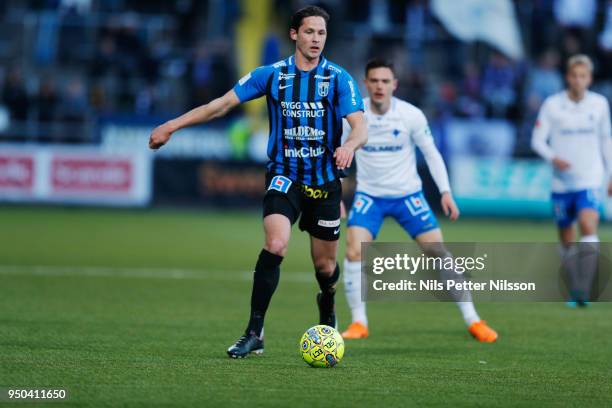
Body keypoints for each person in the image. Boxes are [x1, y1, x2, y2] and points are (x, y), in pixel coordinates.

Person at [148, 6, 367, 357]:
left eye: (321, 33)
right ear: (294, 34)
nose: (316, 39)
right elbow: (220, 105)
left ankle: (327, 304)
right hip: (285, 175)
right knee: (276, 244)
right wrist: (171, 126)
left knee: (325, 267)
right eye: (309, 32)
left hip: (325, 183)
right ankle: (255, 332)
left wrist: (350, 145)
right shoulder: (272, 75)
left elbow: (359, 125)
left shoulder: (338, 78)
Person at [340, 59, 498, 342]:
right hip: (369, 196)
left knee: (438, 252)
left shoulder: (411, 115)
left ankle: (473, 319)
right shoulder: (353, 115)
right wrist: (337, 194)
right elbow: (341, 156)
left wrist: (445, 192)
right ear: (365, 84)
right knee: (353, 252)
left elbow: (432, 153)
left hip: (407, 196)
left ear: (394, 85)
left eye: (385, 81)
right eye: (374, 81)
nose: (379, 86)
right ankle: (359, 323)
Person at [531, 54, 612, 307]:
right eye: (574, 76)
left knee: (588, 226)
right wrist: (553, 158)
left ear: (589, 79)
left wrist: (611, 173)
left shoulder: (599, 104)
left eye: (583, 76)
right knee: (566, 238)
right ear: (568, 77)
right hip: (561, 182)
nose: (578, 80)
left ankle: (583, 290)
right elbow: (537, 141)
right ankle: (574, 282)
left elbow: (606, 140)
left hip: (590, 177)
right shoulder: (552, 105)